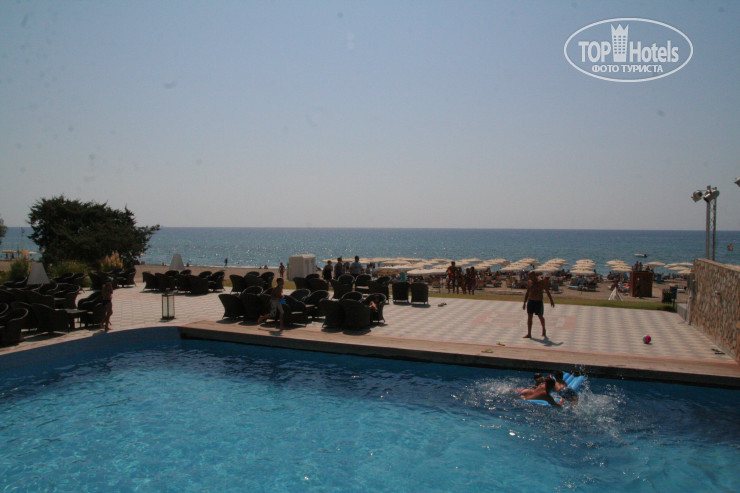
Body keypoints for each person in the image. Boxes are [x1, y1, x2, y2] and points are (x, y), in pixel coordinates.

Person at [522, 270, 554, 338]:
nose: (530, 277)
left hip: (538, 301)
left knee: (540, 316)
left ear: (534, 275)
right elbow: (527, 292)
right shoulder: (529, 282)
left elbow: (547, 290)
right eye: (529, 276)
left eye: (531, 276)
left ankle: (543, 328)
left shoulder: (541, 282)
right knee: (529, 316)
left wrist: (551, 300)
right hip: (530, 300)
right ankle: (529, 333)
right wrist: (524, 302)